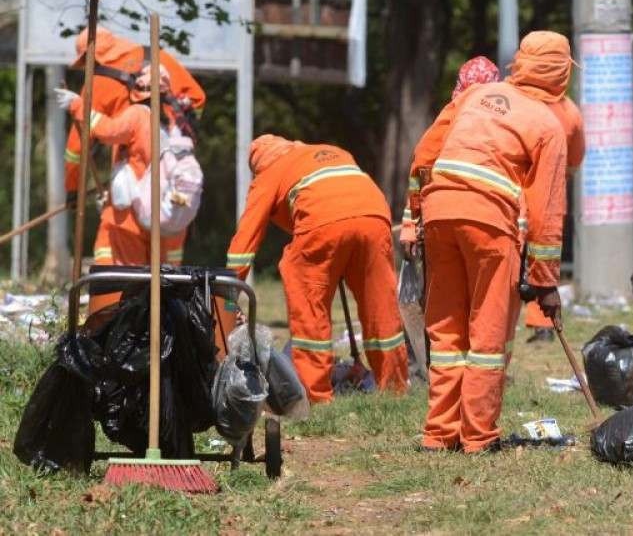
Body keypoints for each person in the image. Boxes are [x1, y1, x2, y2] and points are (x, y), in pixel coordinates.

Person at [408, 31, 569, 453]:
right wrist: (546, 282)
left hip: (439, 210)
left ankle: (439, 434)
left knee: (445, 331)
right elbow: (548, 212)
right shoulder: (548, 125)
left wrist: (414, 217)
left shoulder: (475, 95)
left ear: (519, 63)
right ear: (562, 75)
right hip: (489, 222)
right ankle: (478, 437)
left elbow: (425, 154)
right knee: (487, 333)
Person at [226, 135, 409, 402]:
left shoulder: (269, 173)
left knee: (306, 298)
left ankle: (316, 394)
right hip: (374, 216)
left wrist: (227, 291)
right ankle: (394, 388)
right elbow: (347, 199)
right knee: (380, 304)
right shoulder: (330, 151)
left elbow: (245, 240)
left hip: (323, 222)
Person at [58, 26, 205, 266]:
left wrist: (74, 190)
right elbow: (197, 101)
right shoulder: (159, 59)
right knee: (168, 274)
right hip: (172, 195)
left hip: (133, 188)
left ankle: (118, 302)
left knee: (112, 249)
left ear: (88, 57)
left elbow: (77, 149)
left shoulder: (101, 86)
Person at [399, 56, 501, 249]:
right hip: (493, 219)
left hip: (442, 215)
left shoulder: (453, 111)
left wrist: (412, 223)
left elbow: (422, 162)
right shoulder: (507, 120)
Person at [522, 59, 585, 343]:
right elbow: (575, 158)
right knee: (545, 257)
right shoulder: (570, 112)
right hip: (552, 195)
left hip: (515, 194)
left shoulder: (518, 103)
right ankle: (543, 323)